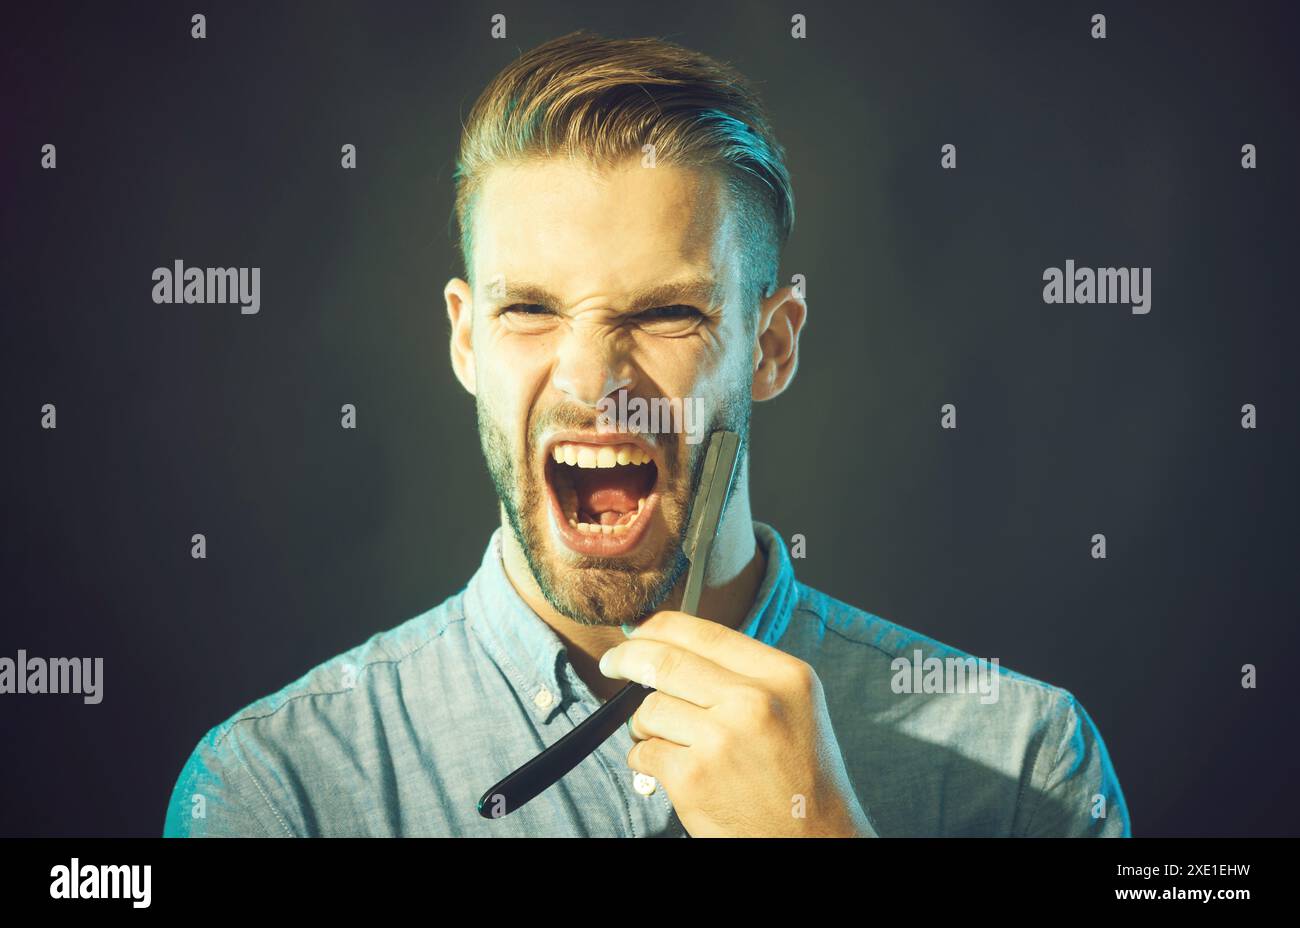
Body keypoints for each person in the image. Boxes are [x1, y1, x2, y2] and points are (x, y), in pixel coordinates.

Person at [164, 30, 1129, 837]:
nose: (592, 382)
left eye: (668, 313)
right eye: (529, 311)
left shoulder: (1021, 767)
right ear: (465, 341)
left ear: (772, 345)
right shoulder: (274, 789)